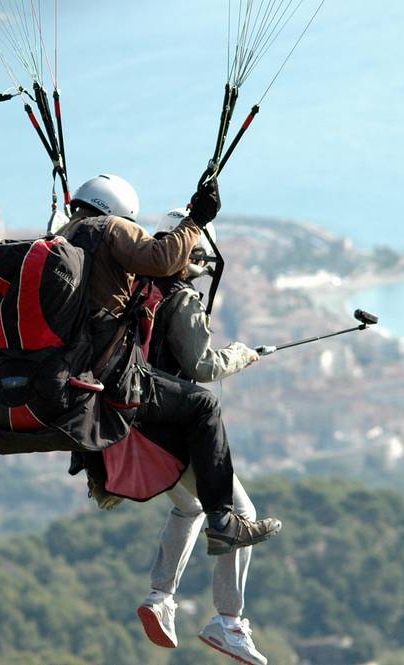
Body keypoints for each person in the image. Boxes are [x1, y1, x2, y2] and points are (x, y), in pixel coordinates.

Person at [58, 174, 281, 558]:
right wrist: (197, 220)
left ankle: (162, 596)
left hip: (72, 378)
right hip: (114, 378)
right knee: (204, 405)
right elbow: (163, 262)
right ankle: (224, 528)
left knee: (187, 505)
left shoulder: (62, 239)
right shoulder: (111, 232)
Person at [135, 209, 270, 665]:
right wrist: (242, 354)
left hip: (130, 420)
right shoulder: (181, 298)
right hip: (174, 423)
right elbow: (202, 367)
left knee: (188, 504)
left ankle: (160, 597)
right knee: (240, 514)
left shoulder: (137, 286)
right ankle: (228, 622)